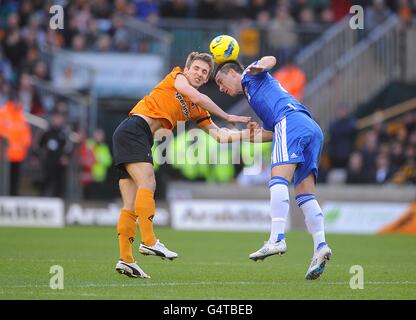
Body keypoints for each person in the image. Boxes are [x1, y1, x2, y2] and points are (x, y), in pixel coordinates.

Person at [112, 52, 252, 278]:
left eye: (204, 72)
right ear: (187, 70)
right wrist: (227, 114)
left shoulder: (198, 109)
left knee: (130, 204)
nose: (199, 73)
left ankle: (126, 259)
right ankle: (149, 241)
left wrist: (247, 134)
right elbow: (192, 95)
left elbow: (219, 135)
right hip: (134, 129)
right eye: (196, 68)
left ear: (207, 79)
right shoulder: (177, 77)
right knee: (148, 182)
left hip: (136, 135)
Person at [214, 56, 332, 280]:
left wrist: (260, 65)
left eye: (221, 81)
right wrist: (242, 136)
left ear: (232, 73)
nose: (220, 88)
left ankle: (276, 238)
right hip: (310, 127)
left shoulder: (249, 75)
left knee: (277, 179)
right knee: (305, 194)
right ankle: (320, 246)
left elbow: (270, 59)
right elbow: (270, 133)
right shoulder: (255, 93)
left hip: (291, 122)